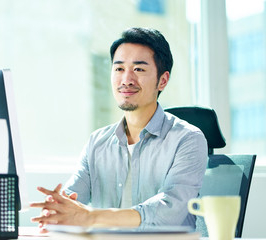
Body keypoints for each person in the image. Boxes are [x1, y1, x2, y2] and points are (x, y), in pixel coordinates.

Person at [30, 27, 208, 230]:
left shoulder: (188, 139)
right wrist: (58, 211)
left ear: (163, 80)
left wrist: (92, 217)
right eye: (119, 68)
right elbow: (73, 195)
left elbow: (170, 210)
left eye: (139, 69)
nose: (126, 80)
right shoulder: (97, 142)